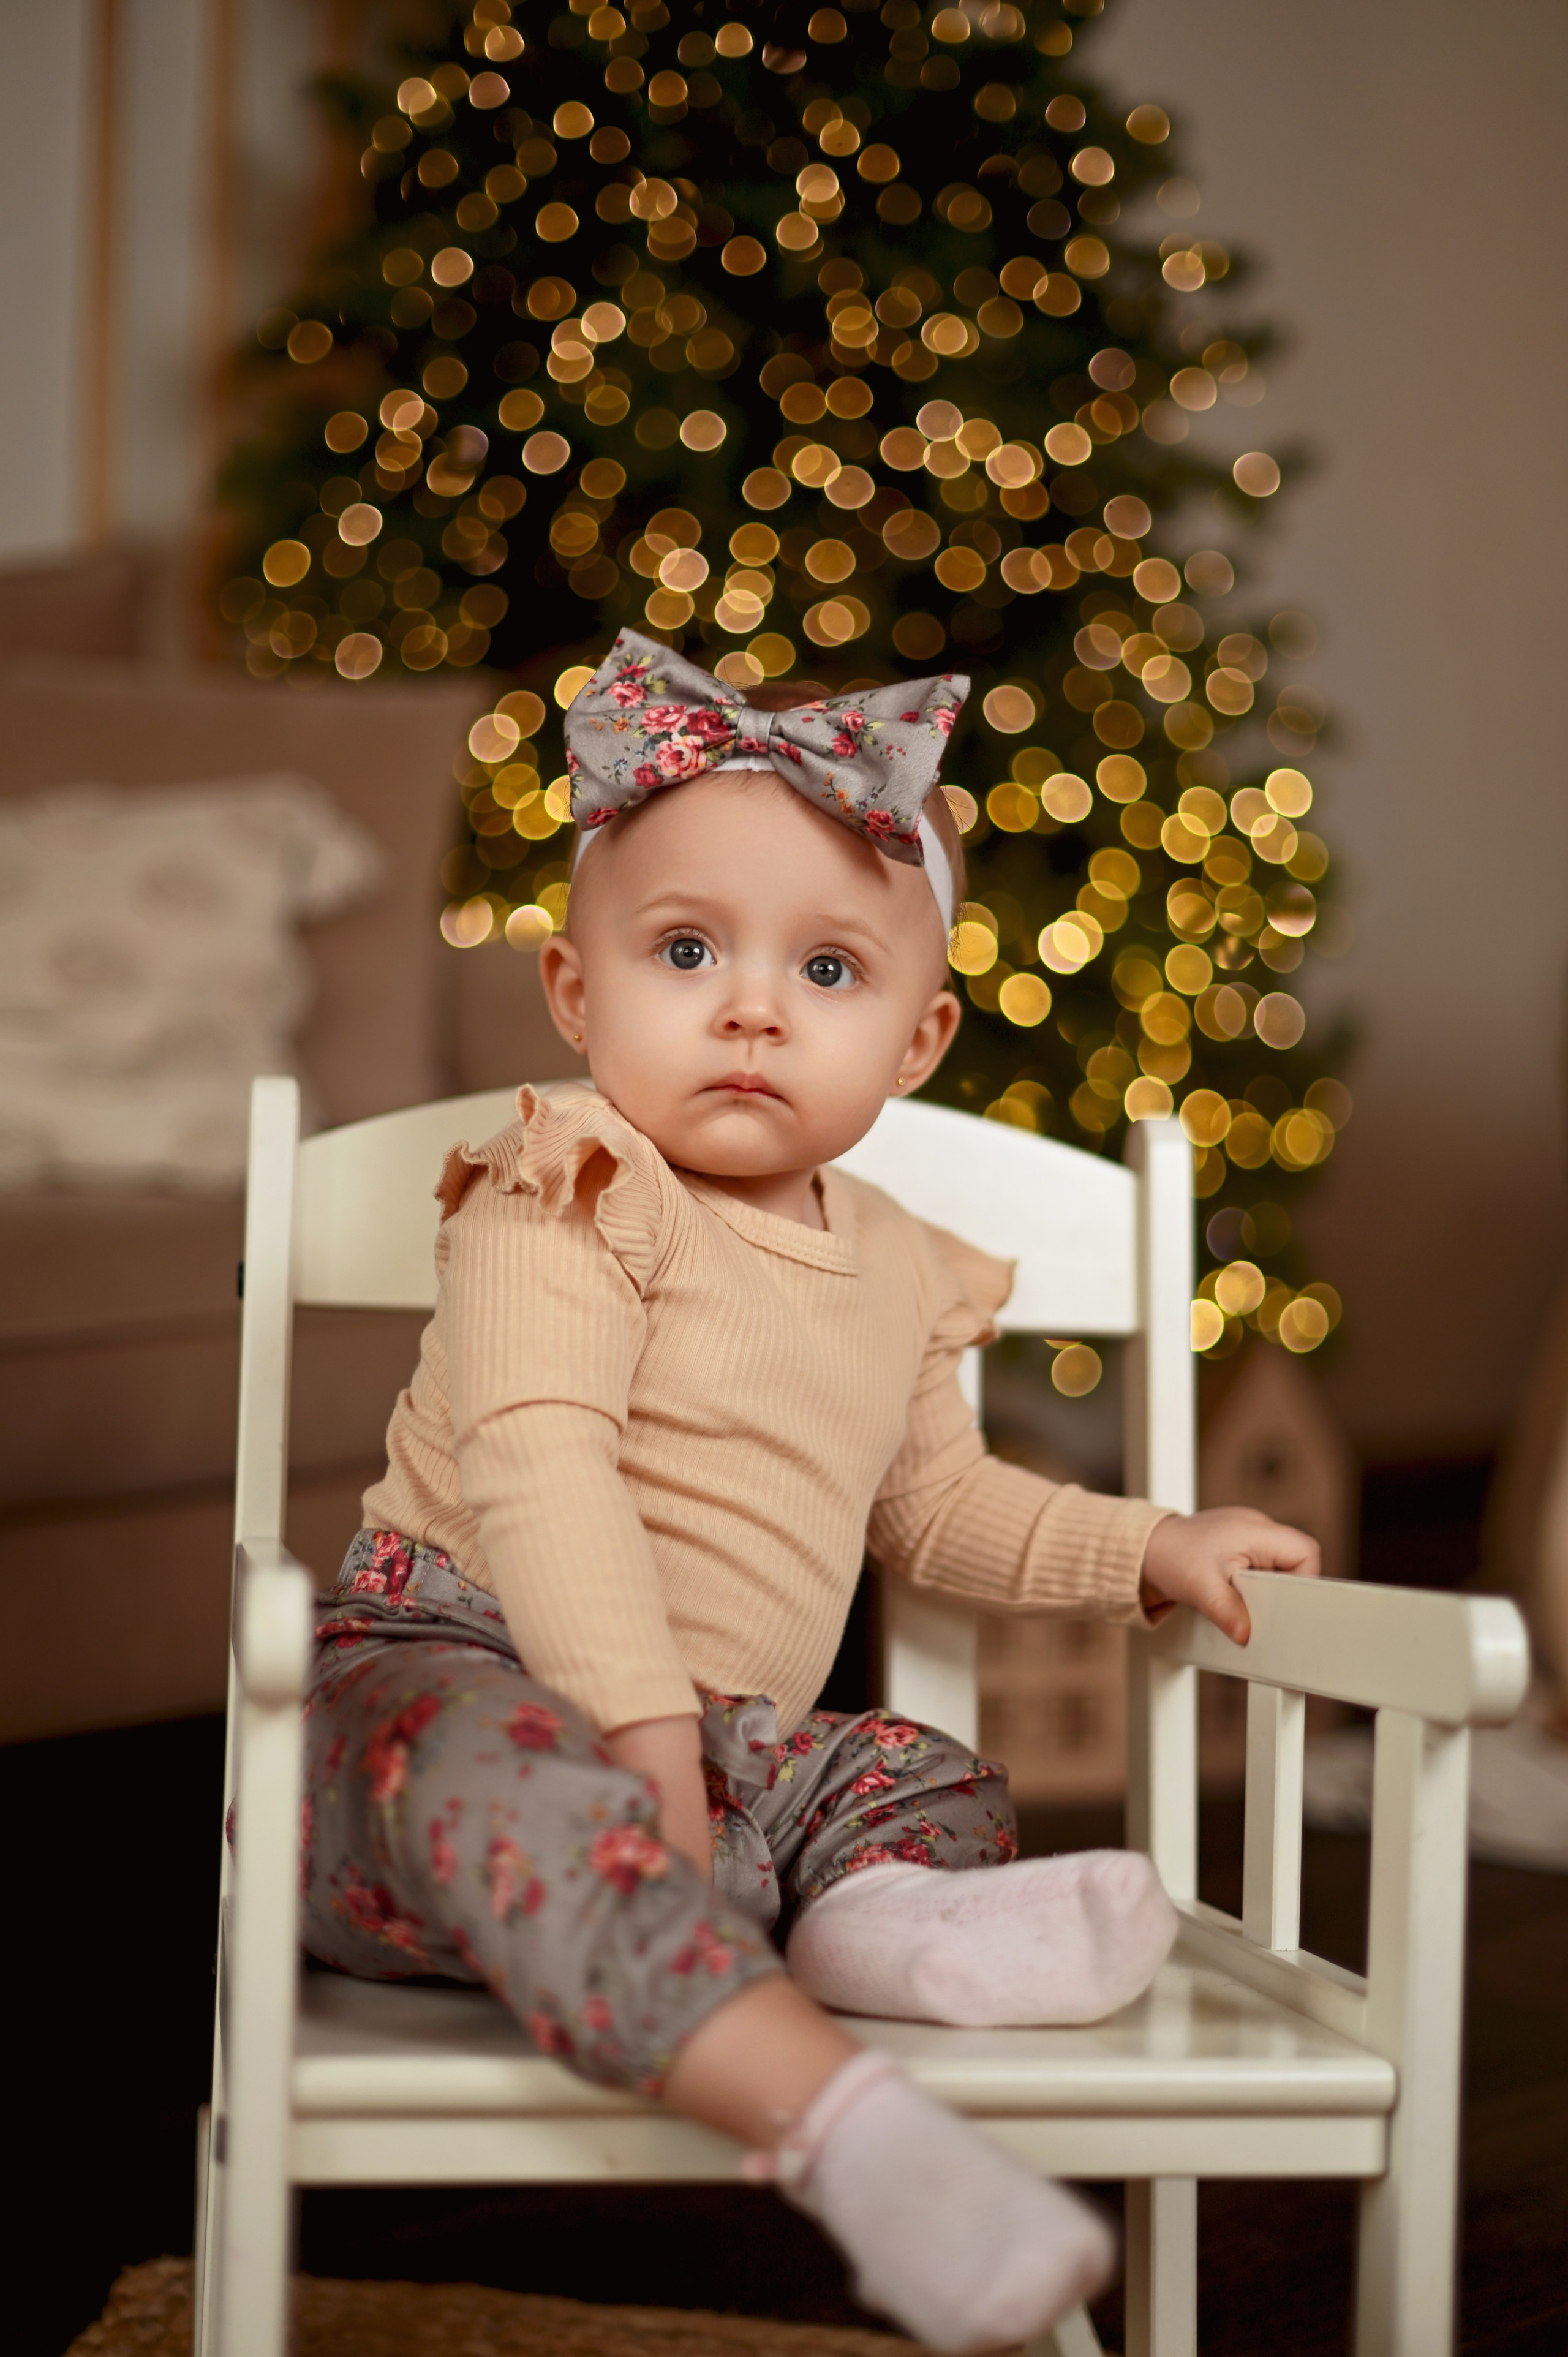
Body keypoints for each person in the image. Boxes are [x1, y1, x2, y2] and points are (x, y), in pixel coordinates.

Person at [300, 632, 1320, 2353]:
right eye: (687, 950)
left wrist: (1150, 1545)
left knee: (916, 1772)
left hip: (721, 1753)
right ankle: (856, 2133)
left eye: (829, 971)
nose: (755, 1006)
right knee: (502, 1767)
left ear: (918, 1039)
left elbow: (942, 1511)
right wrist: (628, 1728)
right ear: (575, 991)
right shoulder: (568, 1181)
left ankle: (883, 1930)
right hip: (450, 1686)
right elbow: (539, 1466)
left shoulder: (907, 1269)